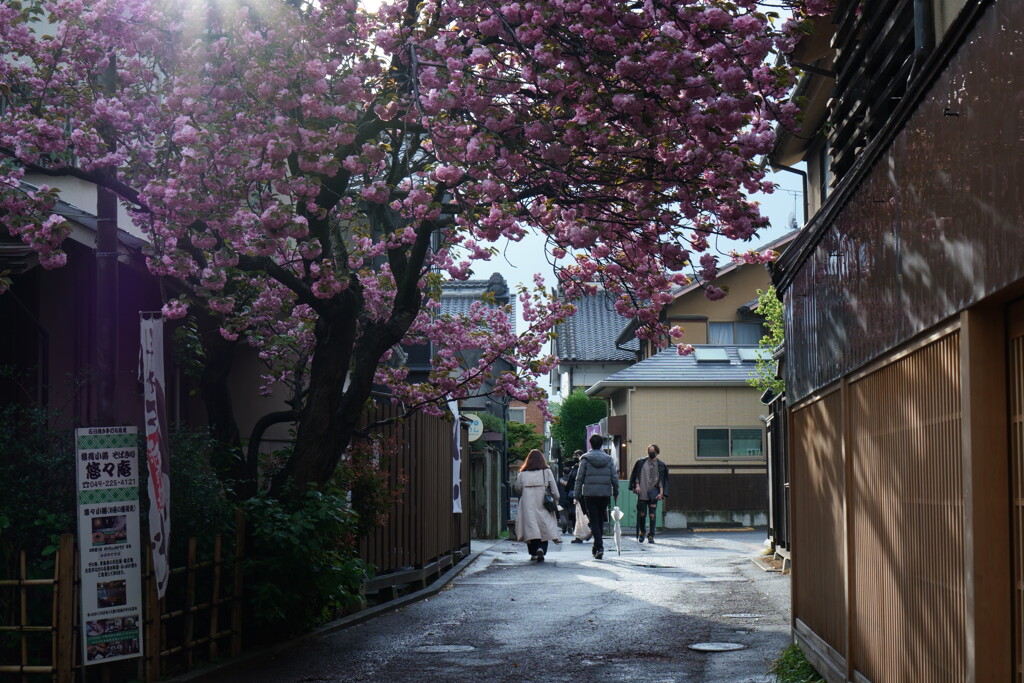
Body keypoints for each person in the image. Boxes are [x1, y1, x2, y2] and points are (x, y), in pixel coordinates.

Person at [573, 434, 618, 560]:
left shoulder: (585, 458)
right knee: (600, 519)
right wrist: (616, 492)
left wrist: (576, 495)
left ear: (590, 444)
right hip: (604, 493)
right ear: (602, 444)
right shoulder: (609, 459)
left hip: (590, 493)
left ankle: (599, 546)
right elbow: (614, 477)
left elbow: (579, 478)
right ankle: (597, 546)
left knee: (594, 520)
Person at [514, 448, 561, 562]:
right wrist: (556, 499)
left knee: (530, 527)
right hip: (543, 502)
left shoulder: (523, 474)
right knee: (543, 526)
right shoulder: (546, 472)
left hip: (527, 503)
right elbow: (554, 490)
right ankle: (541, 549)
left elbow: (517, 488)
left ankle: (533, 552)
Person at [629, 443, 669, 544]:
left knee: (652, 515)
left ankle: (651, 535)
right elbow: (636, 475)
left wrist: (661, 493)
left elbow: (662, 480)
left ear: (657, 452)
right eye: (649, 450)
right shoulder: (641, 462)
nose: (651, 452)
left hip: (654, 494)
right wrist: (637, 485)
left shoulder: (661, 465)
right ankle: (642, 532)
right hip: (642, 491)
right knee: (642, 514)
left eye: (653, 451)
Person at [561, 450, 584, 541]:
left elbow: (572, 480)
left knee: (577, 514)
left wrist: (567, 490)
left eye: (576, 455)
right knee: (576, 514)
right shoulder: (578, 466)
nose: (575, 457)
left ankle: (580, 533)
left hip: (577, 492)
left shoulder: (577, 467)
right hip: (580, 492)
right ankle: (579, 533)